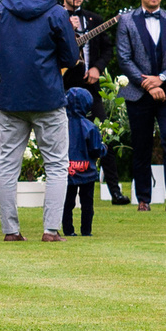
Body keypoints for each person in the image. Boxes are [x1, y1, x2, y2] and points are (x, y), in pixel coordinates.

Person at [0, 0, 80, 242]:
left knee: (7, 164)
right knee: (56, 164)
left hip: (9, 97)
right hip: (47, 96)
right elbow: (71, 57)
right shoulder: (56, 13)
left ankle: (10, 230)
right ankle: (51, 230)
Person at [112, 0, 166, 212]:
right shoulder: (126, 21)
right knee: (141, 145)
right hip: (138, 93)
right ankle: (143, 199)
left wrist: (161, 79)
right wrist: (147, 84)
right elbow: (124, 58)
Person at [61, 0, 124, 203]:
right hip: (65, 86)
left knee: (103, 134)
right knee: (64, 138)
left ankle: (115, 191)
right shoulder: (55, 18)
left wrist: (97, 67)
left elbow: (107, 49)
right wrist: (68, 28)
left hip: (91, 88)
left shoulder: (93, 19)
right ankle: (65, 190)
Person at [64, 86, 106, 237]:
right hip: (87, 171)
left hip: (67, 170)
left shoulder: (62, 126)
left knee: (67, 203)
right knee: (87, 203)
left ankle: (68, 230)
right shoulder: (90, 127)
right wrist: (104, 148)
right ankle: (86, 231)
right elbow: (95, 150)